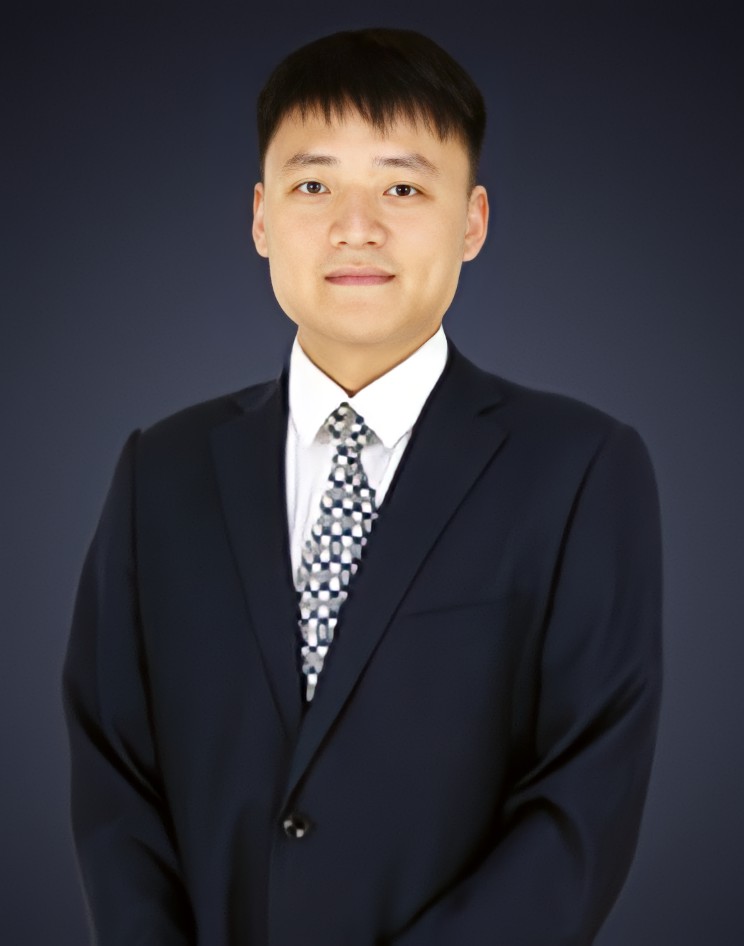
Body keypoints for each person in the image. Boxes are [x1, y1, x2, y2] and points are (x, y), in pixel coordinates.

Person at [62, 27, 663, 946]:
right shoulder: (162, 470)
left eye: (402, 187)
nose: (355, 227)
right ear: (260, 217)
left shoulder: (580, 468)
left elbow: (582, 802)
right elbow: (116, 776)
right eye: (313, 186)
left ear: (473, 221)